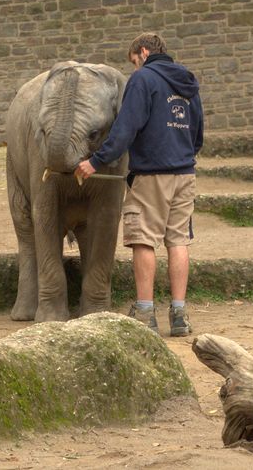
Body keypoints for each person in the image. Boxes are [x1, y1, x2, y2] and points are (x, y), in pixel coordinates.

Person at [75, 33, 203, 337]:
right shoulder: (188, 82)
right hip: (185, 173)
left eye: (134, 61)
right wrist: (180, 154)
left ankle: (145, 311)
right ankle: (180, 313)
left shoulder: (143, 80)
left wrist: (95, 161)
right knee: (178, 241)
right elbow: (198, 135)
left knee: (143, 239)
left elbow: (126, 128)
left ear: (143, 52)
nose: (134, 68)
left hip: (151, 175)